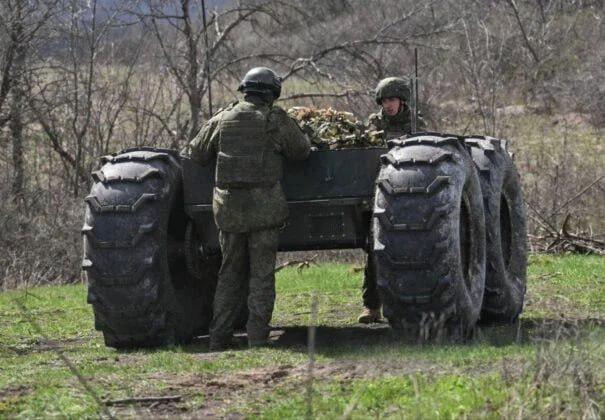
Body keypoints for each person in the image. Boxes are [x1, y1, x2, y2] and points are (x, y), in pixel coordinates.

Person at [188, 67, 311, 349]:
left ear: (245, 90)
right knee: (261, 276)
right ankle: (257, 338)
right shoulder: (275, 119)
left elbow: (196, 152)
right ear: (271, 93)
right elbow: (301, 151)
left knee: (229, 273)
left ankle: (219, 337)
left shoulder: (223, 117)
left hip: (229, 211)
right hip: (265, 212)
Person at [358, 77, 426, 324]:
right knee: (375, 250)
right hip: (379, 191)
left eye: (392, 100)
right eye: (385, 100)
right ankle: (372, 306)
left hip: (409, 192)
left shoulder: (416, 123)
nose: (388, 105)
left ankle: (414, 303)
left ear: (402, 100)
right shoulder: (374, 124)